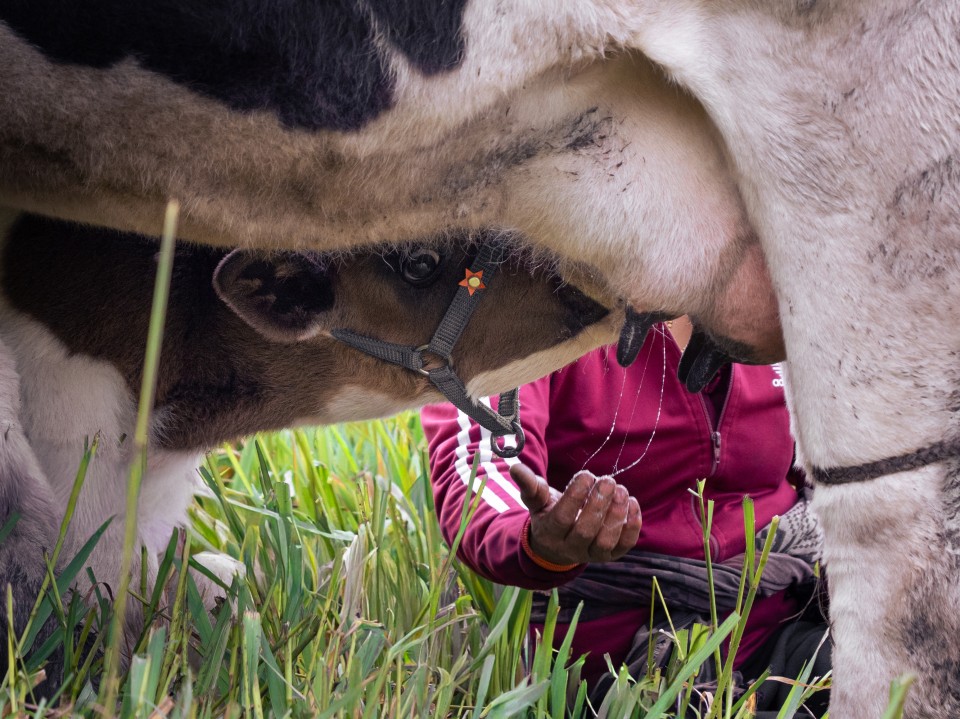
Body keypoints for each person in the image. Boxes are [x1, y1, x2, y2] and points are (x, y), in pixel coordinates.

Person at [421, 317, 830, 715]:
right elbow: (480, 466)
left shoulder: (771, 299)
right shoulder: (521, 303)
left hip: (779, 627)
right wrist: (539, 539)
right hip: (616, 670)